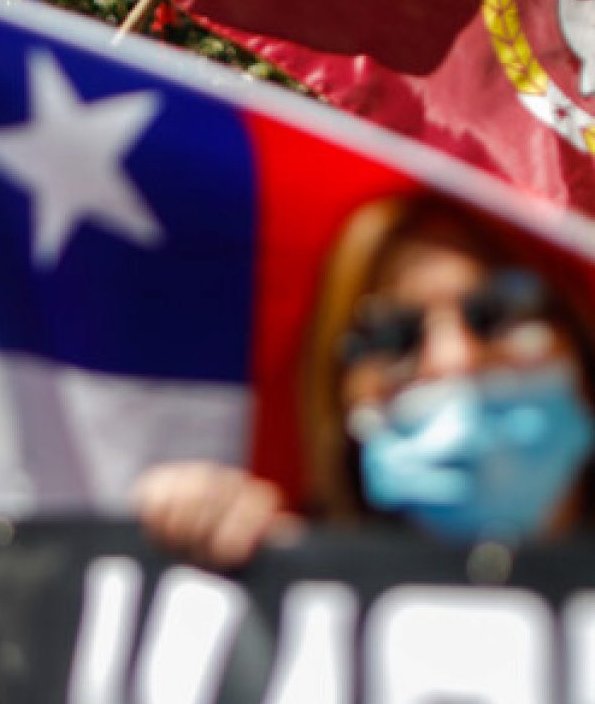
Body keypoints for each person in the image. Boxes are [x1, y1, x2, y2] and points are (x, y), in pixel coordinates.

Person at [134, 194, 595, 566]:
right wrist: (194, 540)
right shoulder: (291, 588)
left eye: (500, 311)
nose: (455, 360)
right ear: (341, 396)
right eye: (391, 336)